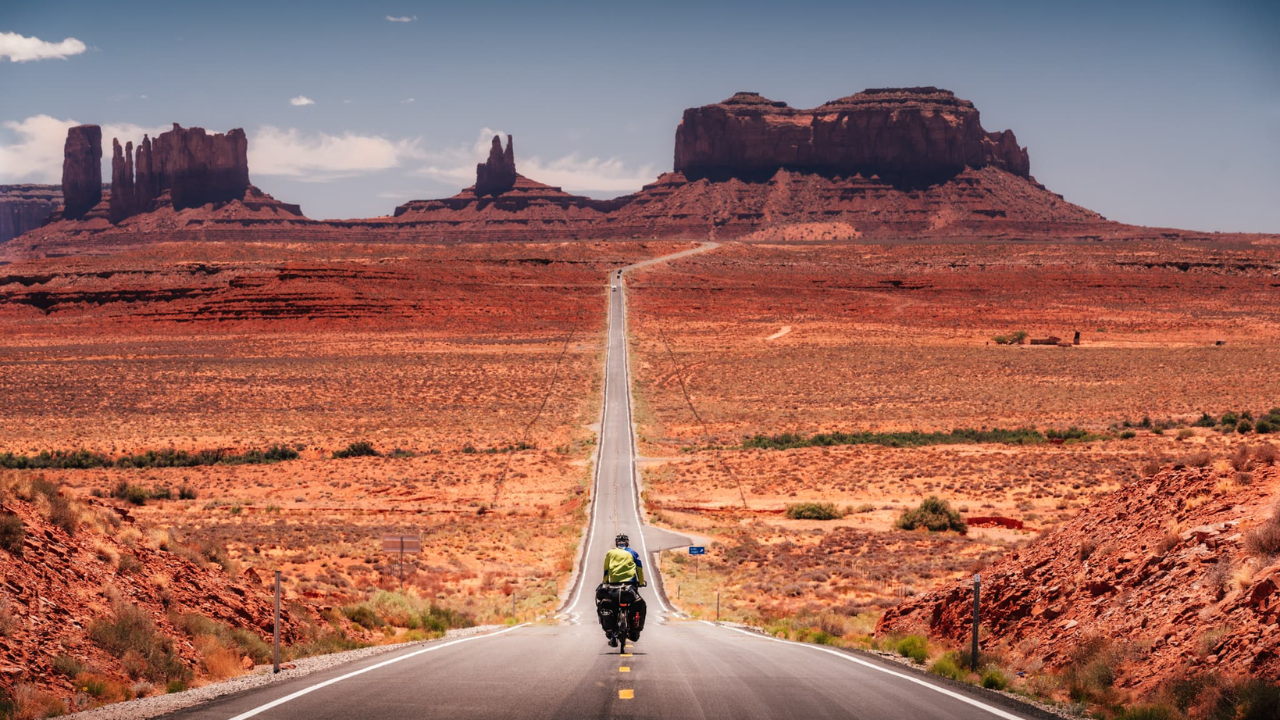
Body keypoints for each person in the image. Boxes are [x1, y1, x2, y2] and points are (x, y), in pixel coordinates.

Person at [596, 533, 647, 646]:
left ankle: (613, 633)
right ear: (627, 543)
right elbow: (639, 569)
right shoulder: (633, 553)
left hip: (613, 586)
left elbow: (606, 570)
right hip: (629, 587)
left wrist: (605, 582)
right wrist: (642, 582)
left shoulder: (610, 553)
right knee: (637, 604)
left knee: (610, 605)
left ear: (616, 543)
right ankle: (633, 630)